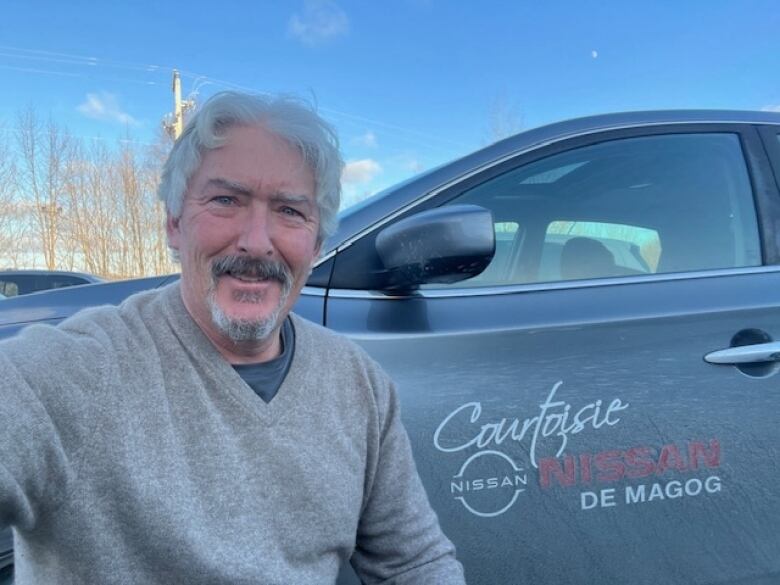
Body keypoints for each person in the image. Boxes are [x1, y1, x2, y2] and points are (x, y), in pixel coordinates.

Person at [0, 91, 465, 584]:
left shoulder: (359, 385)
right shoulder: (77, 371)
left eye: (289, 211)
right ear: (174, 224)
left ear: (317, 243)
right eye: (226, 200)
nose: (257, 241)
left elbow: (415, 563)